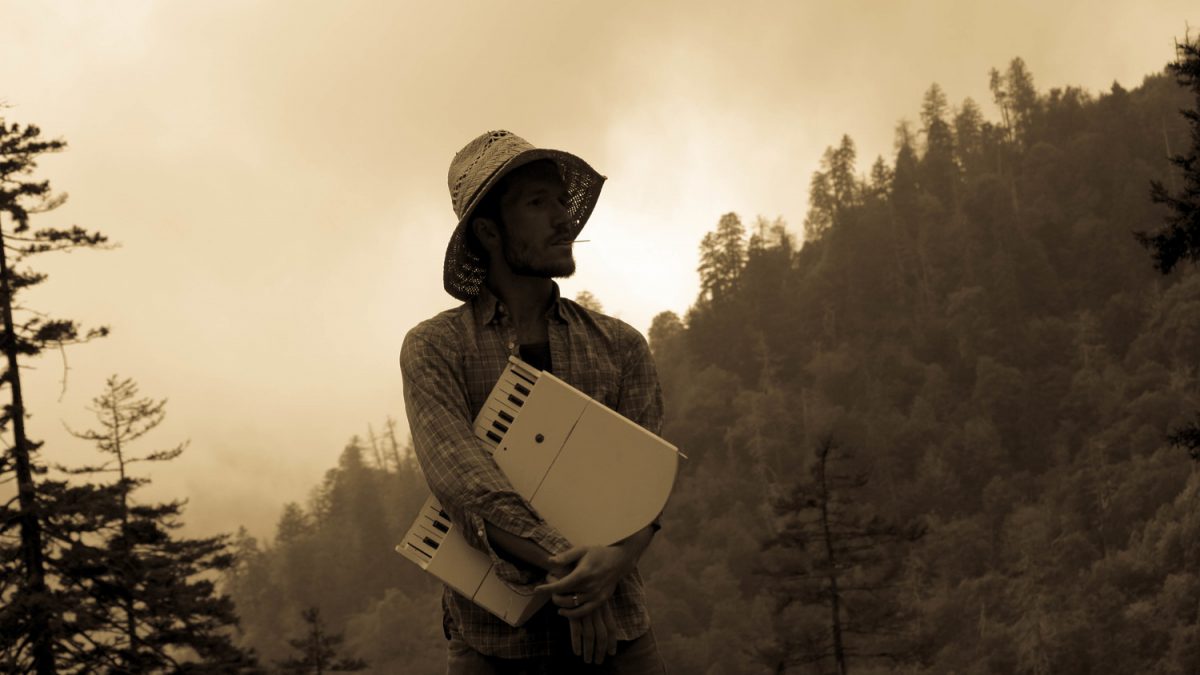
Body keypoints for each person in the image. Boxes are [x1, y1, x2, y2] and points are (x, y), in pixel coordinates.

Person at [399, 130, 670, 674]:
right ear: (488, 232)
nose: (563, 219)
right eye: (537, 203)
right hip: (494, 647)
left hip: (617, 639)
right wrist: (577, 575)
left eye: (561, 201)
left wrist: (613, 565)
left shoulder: (619, 346)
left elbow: (649, 480)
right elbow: (466, 485)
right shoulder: (436, 348)